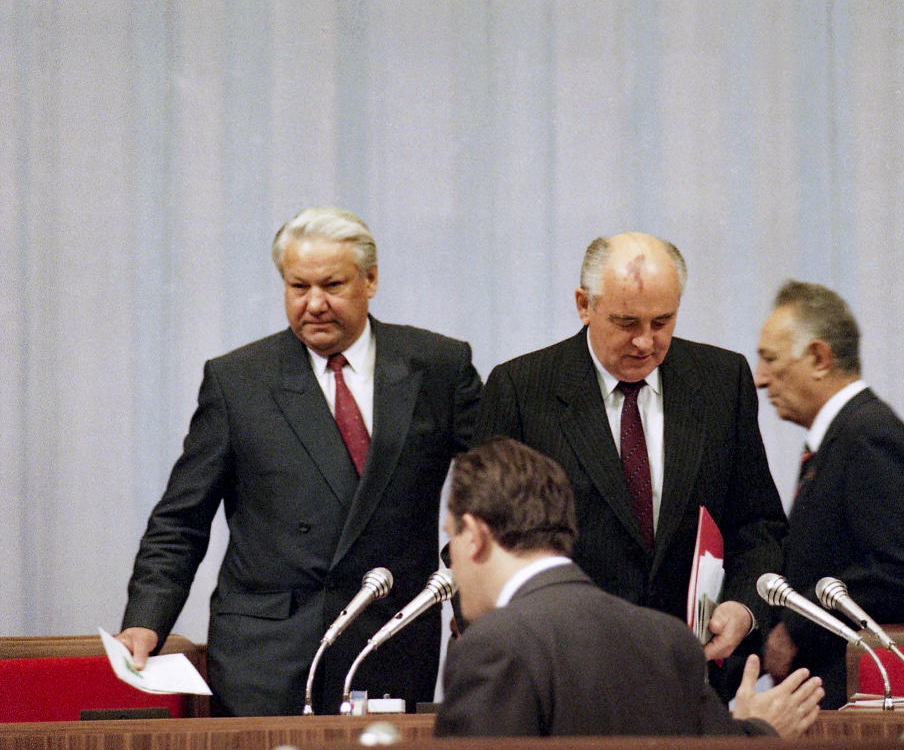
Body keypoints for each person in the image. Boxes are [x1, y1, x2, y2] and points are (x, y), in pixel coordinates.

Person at [115, 206, 482, 715]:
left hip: (388, 641)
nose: (314, 304)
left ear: (370, 279)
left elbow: (499, 495)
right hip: (264, 656)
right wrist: (146, 618)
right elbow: (182, 518)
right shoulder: (239, 380)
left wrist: (455, 586)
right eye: (297, 287)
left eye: (332, 285)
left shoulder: (437, 367)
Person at [473, 233, 786, 667]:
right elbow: (483, 543)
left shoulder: (721, 381)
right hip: (566, 670)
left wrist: (744, 608)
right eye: (626, 323)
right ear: (584, 305)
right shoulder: (522, 391)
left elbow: (758, 527)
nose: (645, 342)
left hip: (690, 667)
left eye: (661, 322)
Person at [436, 437, 823, 737]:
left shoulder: (493, 645)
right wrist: (757, 731)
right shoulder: (669, 640)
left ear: (473, 535)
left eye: (450, 536)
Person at [755, 279, 904, 708]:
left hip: (870, 703)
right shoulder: (843, 440)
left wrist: (795, 628)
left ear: (819, 358)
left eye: (770, 360)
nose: (761, 379)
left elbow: (903, 573)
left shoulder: (869, 437)